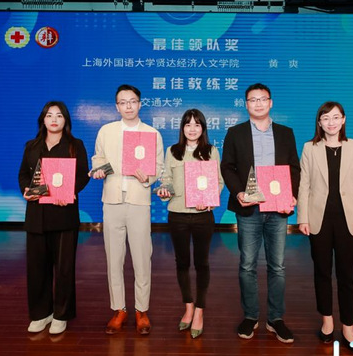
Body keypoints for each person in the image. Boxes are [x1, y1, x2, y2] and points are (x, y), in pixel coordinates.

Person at [221, 83, 300, 344]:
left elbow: (294, 168)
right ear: (246, 104)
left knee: (278, 266)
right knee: (247, 265)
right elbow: (227, 167)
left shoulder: (286, 133)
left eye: (262, 99)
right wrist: (238, 192)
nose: (258, 103)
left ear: (271, 102)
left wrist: (292, 195)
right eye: (252, 100)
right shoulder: (235, 133)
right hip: (249, 208)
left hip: (278, 208)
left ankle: (275, 319)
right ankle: (251, 316)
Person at [296, 101, 353, 353]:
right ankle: (327, 321)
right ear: (319, 122)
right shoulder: (310, 148)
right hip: (318, 220)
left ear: (343, 120)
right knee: (322, 272)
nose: (331, 122)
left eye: (336, 117)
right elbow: (304, 185)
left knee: (348, 275)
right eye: (326, 118)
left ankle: (348, 327)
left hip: (348, 220)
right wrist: (303, 217)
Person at [91, 84, 164, 335]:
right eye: (123, 102)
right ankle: (119, 309)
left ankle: (141, 310)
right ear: (117, 106)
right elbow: (98, 158)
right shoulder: (106, 131)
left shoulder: (151, 133)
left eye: (132, 101)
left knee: (142, 257)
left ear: (140, 104)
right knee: (114, 258)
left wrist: (148, 178)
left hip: (138, 200)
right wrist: (99, 170)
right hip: (112, 200)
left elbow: (158, 166)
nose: (128, 106)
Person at [18, 101, 90, 335]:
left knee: (64, 268)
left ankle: (61, 314)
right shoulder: (32, 146)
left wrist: (68, 192)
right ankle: (41, 313)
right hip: (37, 214)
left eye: (59, 115)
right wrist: (26, 190)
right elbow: (23, 174)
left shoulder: (75, 145)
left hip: (64, 213)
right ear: (43, 119)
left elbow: (83, 176)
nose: (54, 120)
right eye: (49, 115)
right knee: (37, 267)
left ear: (65, 120)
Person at [156, 109, 224, 339]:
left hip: (203, 216)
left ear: (203, 128)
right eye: (188, 124)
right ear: (182, 128)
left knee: (202, 263)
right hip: (177, 214)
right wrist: (164, 190)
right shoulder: (172, 151)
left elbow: (218, 181)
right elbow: (166, 179)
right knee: (182, 262)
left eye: (197, 124)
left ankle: (200, 310)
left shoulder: (211, 151)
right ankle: (188, 306)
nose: (192, 129)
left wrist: (211, 200)